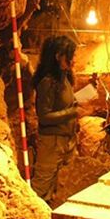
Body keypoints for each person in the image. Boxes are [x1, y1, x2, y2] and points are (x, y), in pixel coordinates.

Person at [31, 35, 78, 204]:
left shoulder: (65, 79)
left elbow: (66, 104)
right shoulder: (48, 82)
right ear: (58, 56)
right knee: (42, 185)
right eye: (71, 55)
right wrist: (72, 112)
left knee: (57, 185)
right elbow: (44, 116)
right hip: (52, 142)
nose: (74, 59)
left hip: (66, 140)